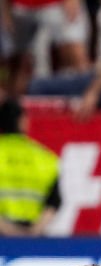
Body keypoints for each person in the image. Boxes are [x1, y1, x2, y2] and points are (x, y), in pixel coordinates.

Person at [0, 98, 60, 236]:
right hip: (32, 237)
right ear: (23, 121)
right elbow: (54, 202)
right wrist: (33, 232)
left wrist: (9, 230)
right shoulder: (46, 158)